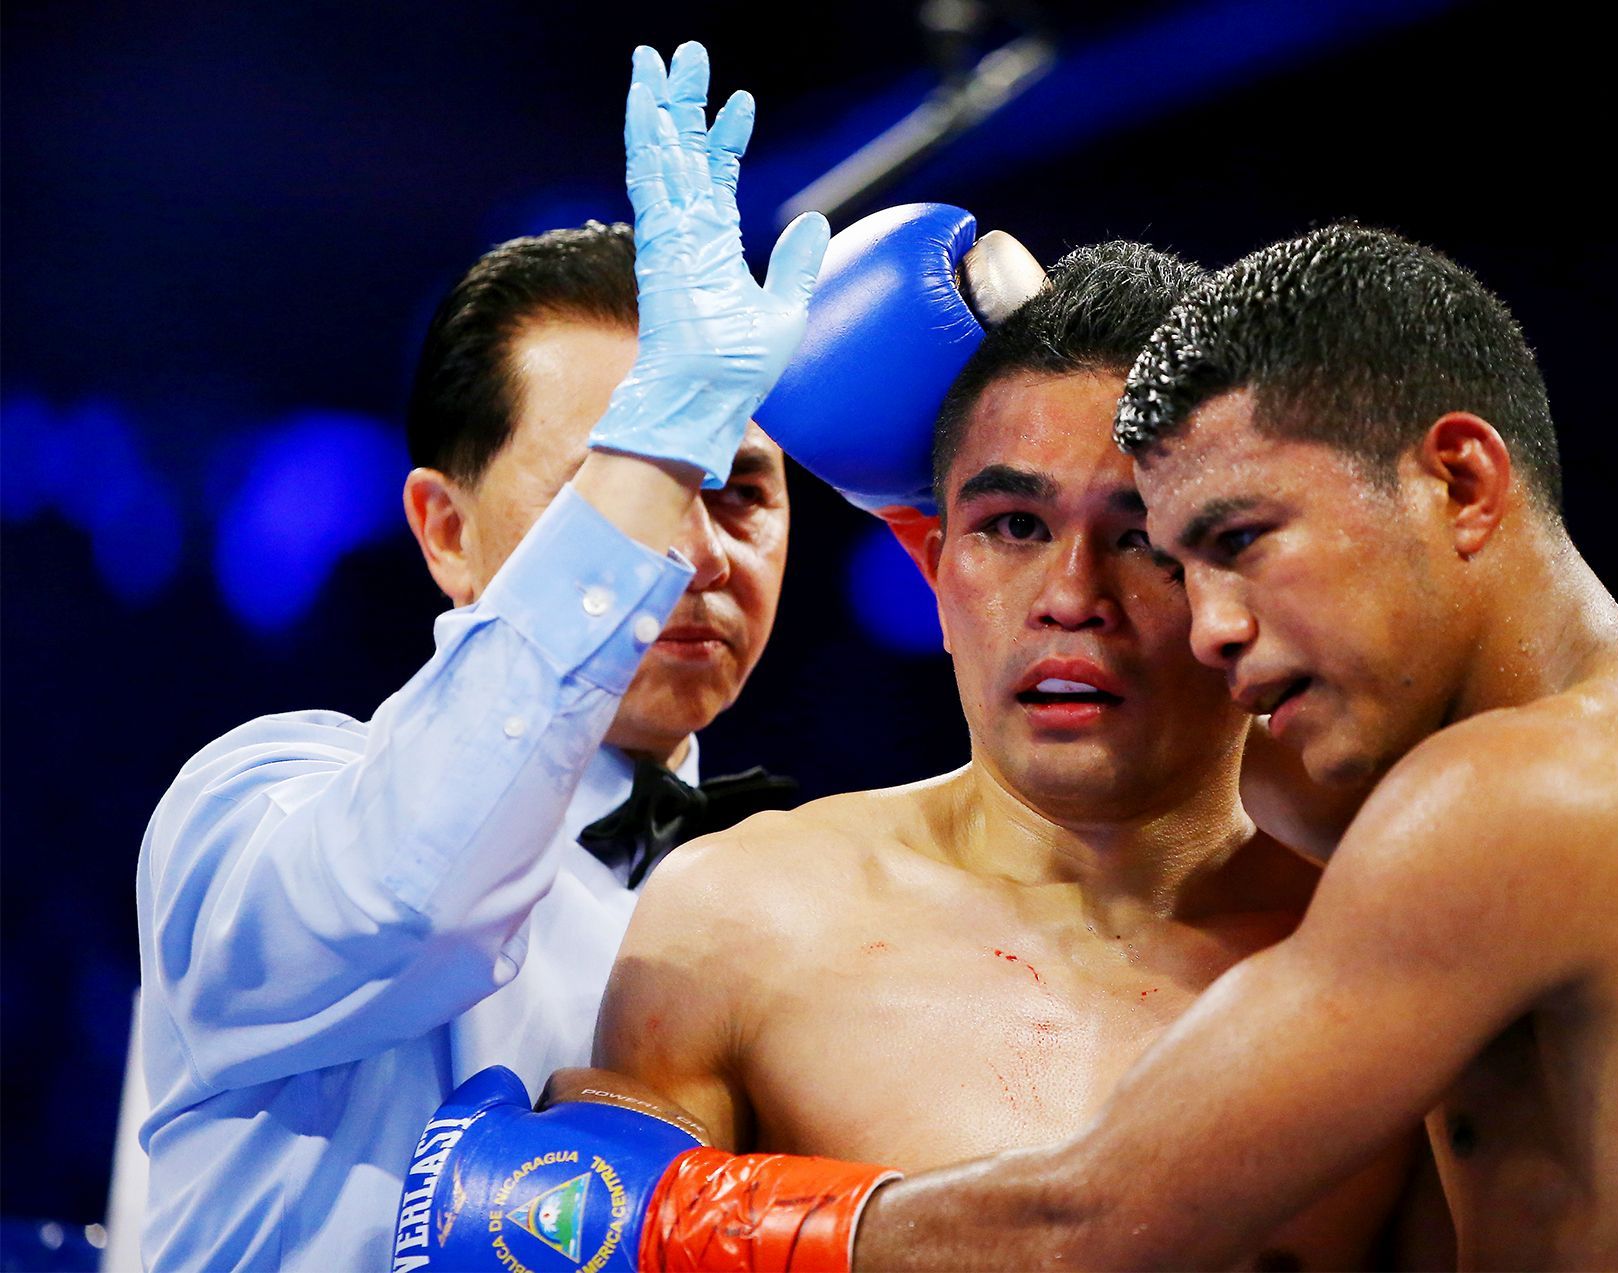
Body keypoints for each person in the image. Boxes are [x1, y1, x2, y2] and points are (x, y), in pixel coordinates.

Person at [838, 222, 1618, 1269]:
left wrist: (705, 1215)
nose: (1211, 625)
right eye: (1178, 563)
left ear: (1461, 483)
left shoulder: (1518, 799)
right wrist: (1015, 402)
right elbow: (1178, 744)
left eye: (1242, 539)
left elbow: (1087, 1227)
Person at [395, 241, 1425, 1273]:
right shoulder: (739, 921)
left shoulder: (1400, 954)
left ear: (1236, 575)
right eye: (1015, 525)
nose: (1070, 597)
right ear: (935, 568)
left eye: (1142, 537)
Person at [131, 43, 830, 1270]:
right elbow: (412, 899)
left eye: (742, 489)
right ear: (445, 533)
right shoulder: (251, 803)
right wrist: (663, 428)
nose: (699, 550)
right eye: (629, 482)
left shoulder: (812, 888)